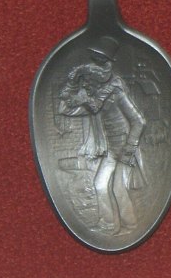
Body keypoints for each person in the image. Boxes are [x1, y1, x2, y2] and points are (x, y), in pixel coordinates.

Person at [57, 36, 147, 235]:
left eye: (89, 81)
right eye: (86, 81)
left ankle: (130, 226)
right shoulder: (92, 103)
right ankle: (110, 224)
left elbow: (139, 121)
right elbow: (64, 109)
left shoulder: (115, 93)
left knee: (118, 188)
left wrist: (129, 149)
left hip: (124, 148)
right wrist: (72, 83)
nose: (87, 85)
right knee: (100, 185)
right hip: (110, 151)